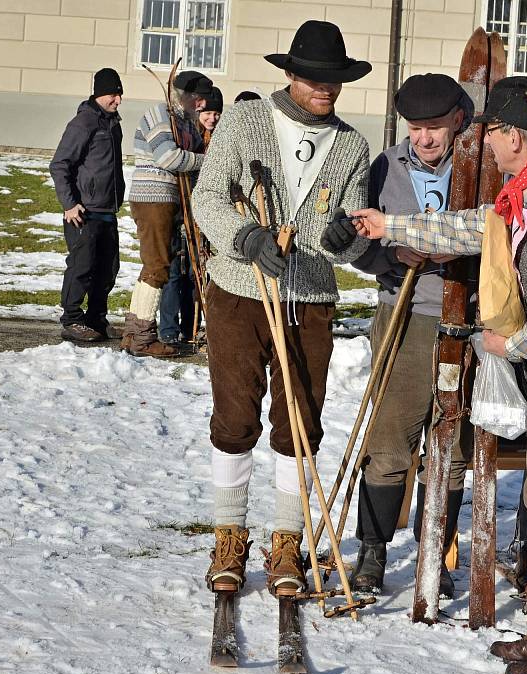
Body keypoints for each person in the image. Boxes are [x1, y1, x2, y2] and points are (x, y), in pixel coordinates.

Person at [354, 76, 527, 674]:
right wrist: (388, 225)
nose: (484, 142)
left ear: (510, 135)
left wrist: (512, 345)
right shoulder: (524, 195)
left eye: (490, 132)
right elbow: (471, 229)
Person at [191, 20, 371, 597]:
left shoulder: (351, 144)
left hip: (309, 297)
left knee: (300, 422)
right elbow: (208, 196)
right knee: (236, 416)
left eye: (335, 80)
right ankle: (229, 535)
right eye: (315, 78)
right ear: (291, 74)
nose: (326, 89)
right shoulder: (245, 122)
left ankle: (287, 541)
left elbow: (355, 222)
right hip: (240, 290)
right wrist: (245, 238)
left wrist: (350, 239)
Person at [349, 73, 474, 598]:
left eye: (435, 128)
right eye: (416, 128)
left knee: (452, 446)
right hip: (406, 313)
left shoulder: (477, 167)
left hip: (467, 320)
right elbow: (356, 242)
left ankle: (434, 552)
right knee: (391, 439)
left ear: (457, 122)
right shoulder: (385, 167)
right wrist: (391, 254)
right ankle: (373, 553)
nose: (424, 139)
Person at [122, 70, 211, 357]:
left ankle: (133, 333)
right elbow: (168, 157)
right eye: (198, 100)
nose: (201, 106)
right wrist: (205, 161)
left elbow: (186, 156)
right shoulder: (159, 114)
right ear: (184, 96)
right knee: (158, 267)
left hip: (169, 200)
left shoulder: (184, 122)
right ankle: (143, 338)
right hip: (153, 199)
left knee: (155, 265)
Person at [49, 67, 125, 343]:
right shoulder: (83, 123)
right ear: (98, 94)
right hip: (84, 212)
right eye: (112, 95)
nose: (117, 100)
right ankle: (72, 319)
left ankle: (96, 318)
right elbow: (59, 164)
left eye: (119, 94)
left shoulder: (112, 123)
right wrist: (70, 204)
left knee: (107, 269)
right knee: (82, 267)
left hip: (107, 209)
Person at [158, 87, 223, 346]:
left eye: (217, 113)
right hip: (180, 209)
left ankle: (191, 326)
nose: (212, 118)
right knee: (176, 270)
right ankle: (169, 329)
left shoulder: (219, 140)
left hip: (203, 217)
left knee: (198, 273)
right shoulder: (187, 135)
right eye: (208, 112)